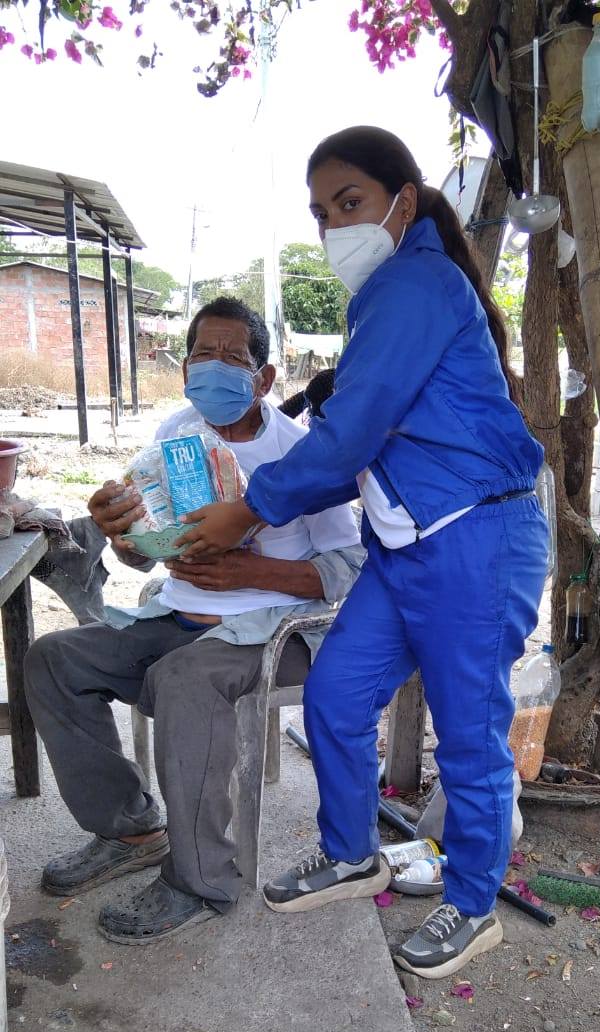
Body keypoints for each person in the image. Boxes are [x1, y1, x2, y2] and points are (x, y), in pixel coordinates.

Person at [175, 128, 548, 980]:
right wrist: (257, 498)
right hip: (407, 550)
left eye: (350, 203)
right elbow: (358, 442)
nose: (333, 226)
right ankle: (352, 854)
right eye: (320, 213)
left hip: (476, 542)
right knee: (337, 696)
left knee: (469, 735)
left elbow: (350, 435)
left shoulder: (414, 282)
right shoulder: (388, 295)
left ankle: (473, 904)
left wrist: (250, 510)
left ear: (402, 203)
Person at [24, 297, 364, 944]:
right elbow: (147, 547)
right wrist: (121, 533)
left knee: (184, 681)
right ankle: (129, 830)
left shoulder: (301, 452)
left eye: (232, 358)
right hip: (177, 614)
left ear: (264, 378)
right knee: (55, 660)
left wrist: (250, 572)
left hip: (273, 628)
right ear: (184, 369)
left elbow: (348, 567)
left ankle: (201, 879)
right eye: (203, 354)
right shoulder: (177, 433)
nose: (213, 367)